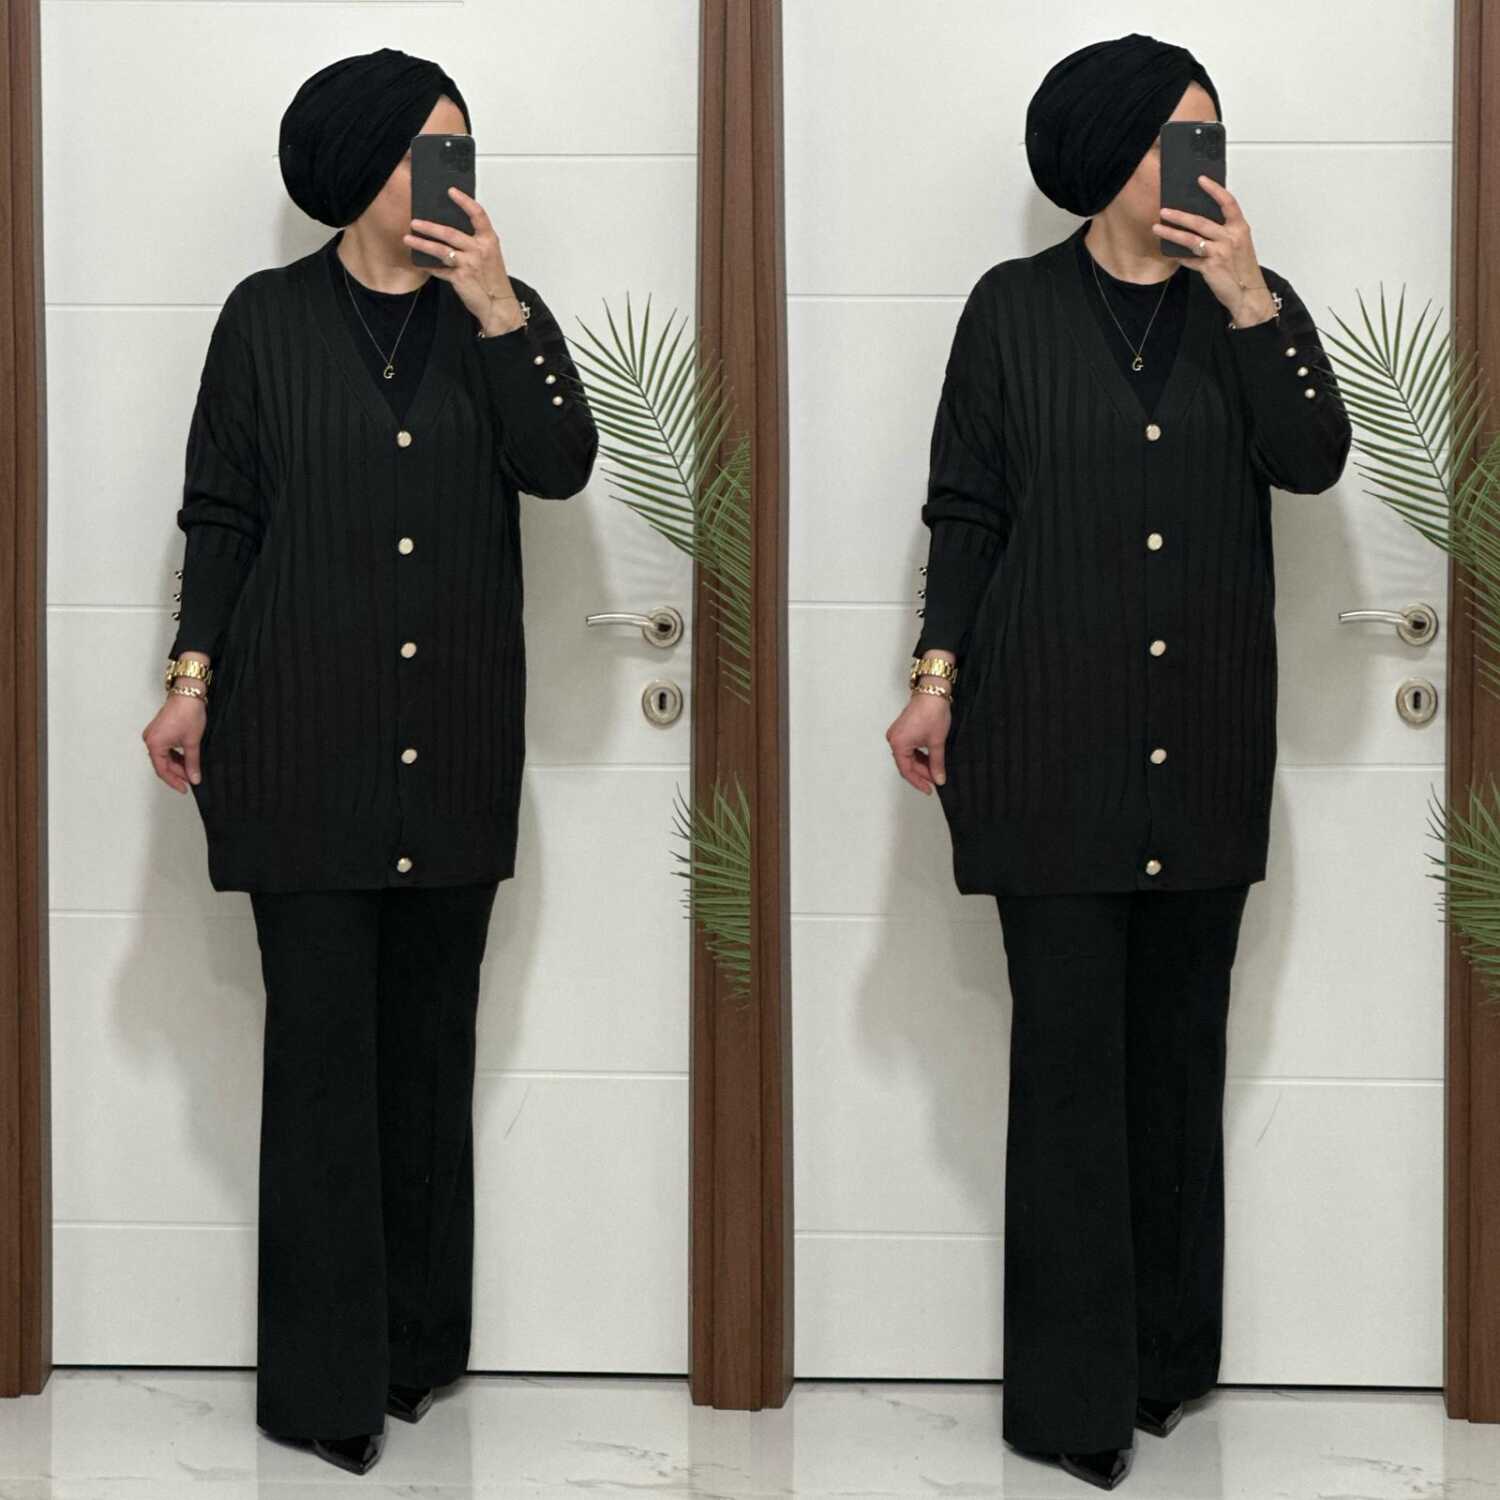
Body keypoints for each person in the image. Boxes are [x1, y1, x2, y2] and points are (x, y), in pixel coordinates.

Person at [884, 33, 1351, 1493]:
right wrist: (935, 678)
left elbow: (1314, 458)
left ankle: (1164, 1367)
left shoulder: (1253, 309)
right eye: (1168, 137)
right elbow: (967, 509)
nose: (1195, 164)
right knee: (1071, 1069)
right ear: (1104, 155)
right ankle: (1069, 1404)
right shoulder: (1011, 310)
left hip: (1199, 744)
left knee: (1178, 1061)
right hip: (1047, 747)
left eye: (1209, 135)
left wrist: (1250, 297)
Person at [139, 47, 598, 1476]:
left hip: (449, 744)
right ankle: (321, 1389)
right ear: (355, 169)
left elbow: (562, 465)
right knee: (324, 1063)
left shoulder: (502, 319)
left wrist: (499, 308)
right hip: (300, 745)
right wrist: (191, 679)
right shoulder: (264, 320)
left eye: (458, 150)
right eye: (418, 152)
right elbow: (221, 514)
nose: (444, 178)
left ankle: (413, 1353)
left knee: (429, 1053)